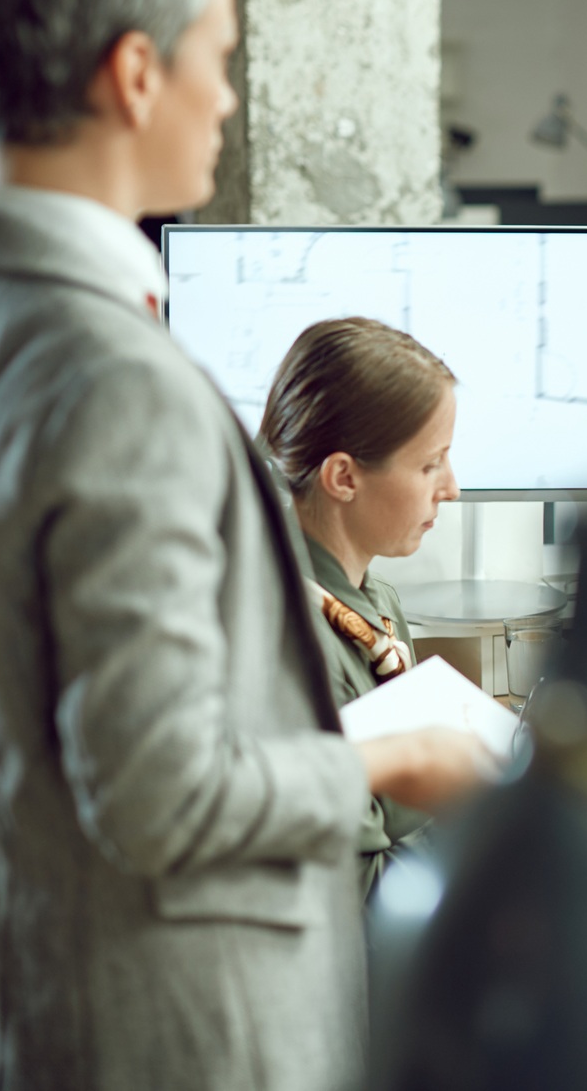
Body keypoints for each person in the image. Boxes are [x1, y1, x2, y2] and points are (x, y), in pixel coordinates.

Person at [0, 0, 486, 1091]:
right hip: (152, 1023)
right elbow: (155, 796)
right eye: (217, 59)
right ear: (135, 75)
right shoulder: (121, 374)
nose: (229, 100)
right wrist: (394, 762)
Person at [259, 316, 463, 897]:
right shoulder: (295, 646)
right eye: (430, 464)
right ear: (343, 477)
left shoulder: (376, 602)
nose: (450, 487)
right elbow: (358, 892)